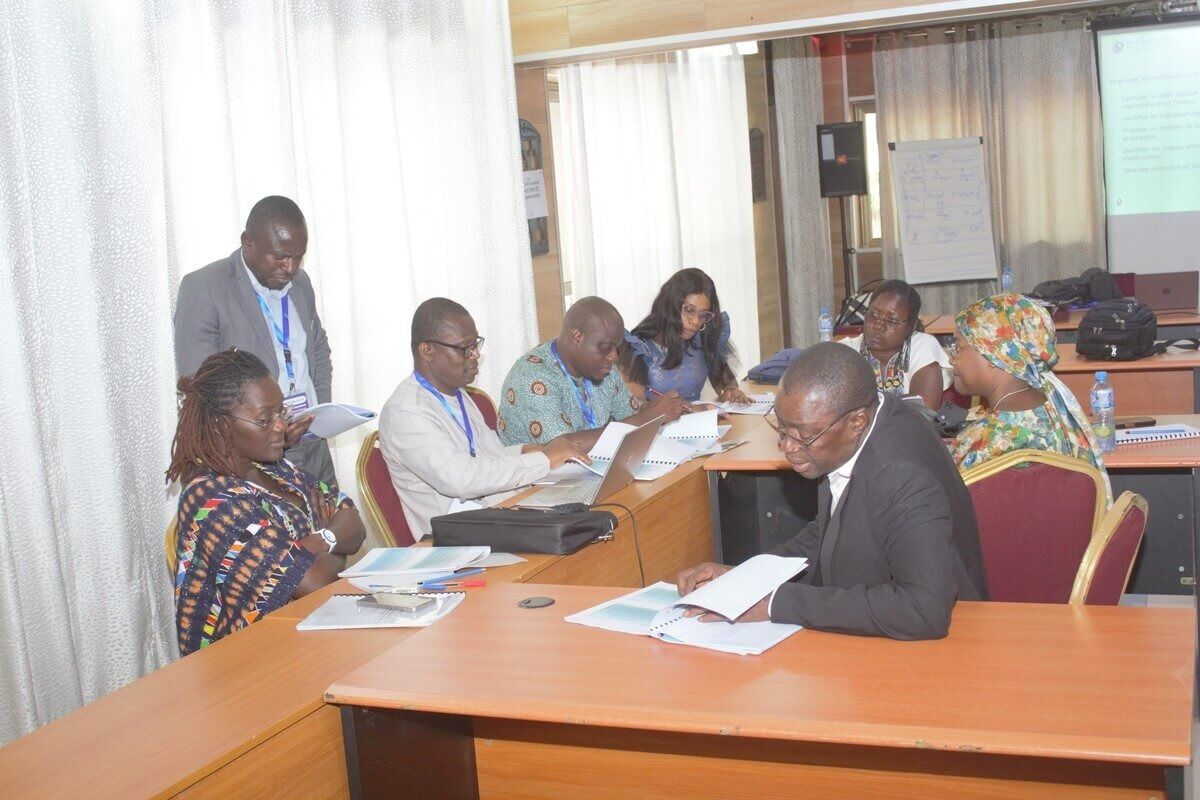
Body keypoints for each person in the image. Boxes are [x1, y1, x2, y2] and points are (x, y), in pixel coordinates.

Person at [675, 342, 987, 640]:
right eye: (782, 428)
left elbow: (924, 608)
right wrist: (745, 578)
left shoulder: (899, 475)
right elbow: (828, 530)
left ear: (856, 422)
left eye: (802, 435)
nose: (787, 446)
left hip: (943, 644)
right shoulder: (853, 424)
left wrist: (775, 605)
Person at [167, 349, 365, 655]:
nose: (280, 426)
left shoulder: (275, 468)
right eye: (264, 419)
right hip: (249, 662)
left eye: (281, 413)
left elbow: (353, 522)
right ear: (220, 425)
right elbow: (314, 582)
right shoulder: (212, 502)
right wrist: (328, 544)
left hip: (311, 637)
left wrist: (317, 545)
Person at [379, 298, 591, 539]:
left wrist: (524, 451)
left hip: (497, 515)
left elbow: (483, 457)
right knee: (575, 537)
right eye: (465, 348)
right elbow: (462, 479)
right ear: (427, 350)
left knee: (589, 514)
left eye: (476, 344)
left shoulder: (457, 393)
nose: (476, 354)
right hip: (458, 540)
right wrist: (544, 459)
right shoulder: (406, 412)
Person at [174, 195, 336, 485]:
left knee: (337, 514)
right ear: (248, 242)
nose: (290, 267)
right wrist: (273, 430)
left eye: (298, 256)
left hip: (312, 448)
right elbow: (201, 386)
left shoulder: (300, 283)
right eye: (280, 256)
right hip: (250, 465)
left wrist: (317, 415)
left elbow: (318, 349)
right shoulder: (204, 287)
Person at [948, 293, 1111, 492]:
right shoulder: (1058, 411)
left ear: (994, 355)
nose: (951, 359)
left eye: (958, 348)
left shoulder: (979, 443)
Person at [498, 296, 688, 448]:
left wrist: (661, 410)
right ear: (577, 337)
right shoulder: (532, 378)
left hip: (588, 472)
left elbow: (630, 418)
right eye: (606, 347)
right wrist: (647, 417)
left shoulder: (603, 369)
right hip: (536, 482)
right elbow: (563, 449)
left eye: (616, 348)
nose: (613, 357)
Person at [618, 268, 750, 405]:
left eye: (703, 315)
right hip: (661, 419)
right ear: (670, 305)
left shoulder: (702, 337)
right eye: (689, 310)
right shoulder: (638, 348)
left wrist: (729, 391)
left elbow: (723, 383)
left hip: (700, 418)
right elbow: (636, 407)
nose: (696, 322)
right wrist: (687, 410)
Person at [837, 279, 951, 410]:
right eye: (873, 314)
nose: (878, 326)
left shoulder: (922, 346)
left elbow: (923, 411)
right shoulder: (845, 352)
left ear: (911, 326)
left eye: (892, 320)